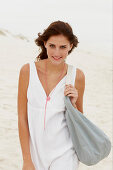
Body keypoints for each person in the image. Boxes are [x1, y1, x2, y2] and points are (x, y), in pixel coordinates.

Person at [17, 20, 85, 170]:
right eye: (52, 46)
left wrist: (73, 103)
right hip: (35, 154)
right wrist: (27, 160)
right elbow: (22, 117)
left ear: (70, 47)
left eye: (63, 47)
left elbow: (81, 121)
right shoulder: (27, 72)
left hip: (65, 154)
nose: (56, 53)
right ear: (45, 43)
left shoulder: (77, 76)